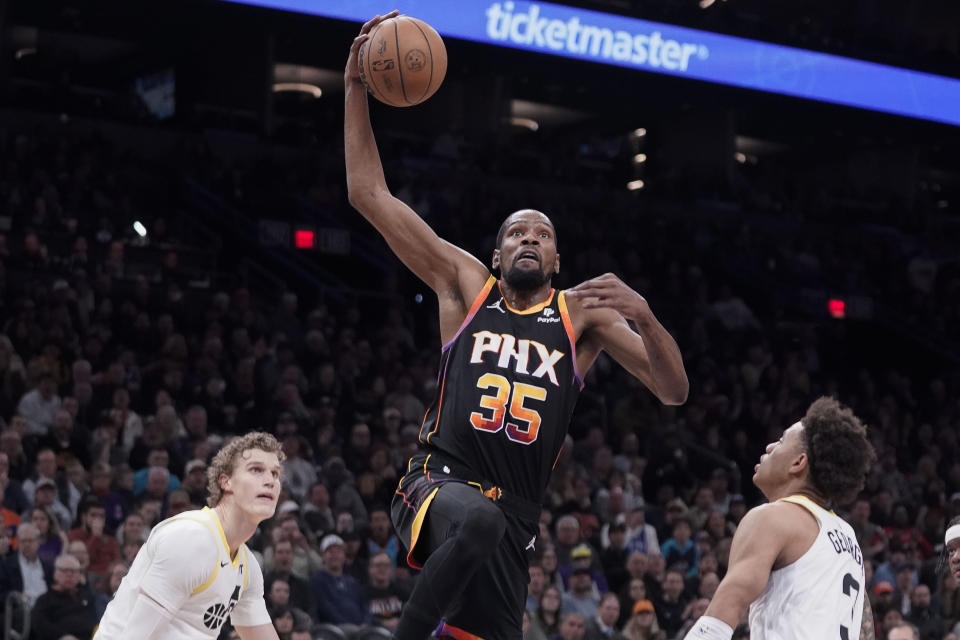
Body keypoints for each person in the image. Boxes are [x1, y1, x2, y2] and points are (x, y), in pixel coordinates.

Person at [344, 14, 688, 640]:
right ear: (498, 255)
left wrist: (646, 315)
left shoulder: (585, 317)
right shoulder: (465, 288)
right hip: (438, 482)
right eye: (515, 233)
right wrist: (355, 90)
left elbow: (673, 391)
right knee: (477, 521)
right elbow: (369, 192)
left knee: (488, 567)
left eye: (543, 234)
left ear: (557, 260)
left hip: (516, 515)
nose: (529, 238)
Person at [682, 397, 876, 640]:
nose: (770, 447)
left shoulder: (772, 517)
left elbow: (727, 607)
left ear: (798, 462)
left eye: (782, 440)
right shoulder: (848, 537)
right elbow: (864, 630)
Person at [94, 432, 285, 639]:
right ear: (226, 482)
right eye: (256, 470)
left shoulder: (247, 566)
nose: (270, 481)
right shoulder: (191, 540)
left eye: (275, 473)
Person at [30, 553, 97, 639]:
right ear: (55, 574)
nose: (69, 575)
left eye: (73, 571)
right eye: (64, 570)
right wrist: (62, 636)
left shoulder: (86, 596)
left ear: (79, 575)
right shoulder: (44, 600)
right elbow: (40, 625)